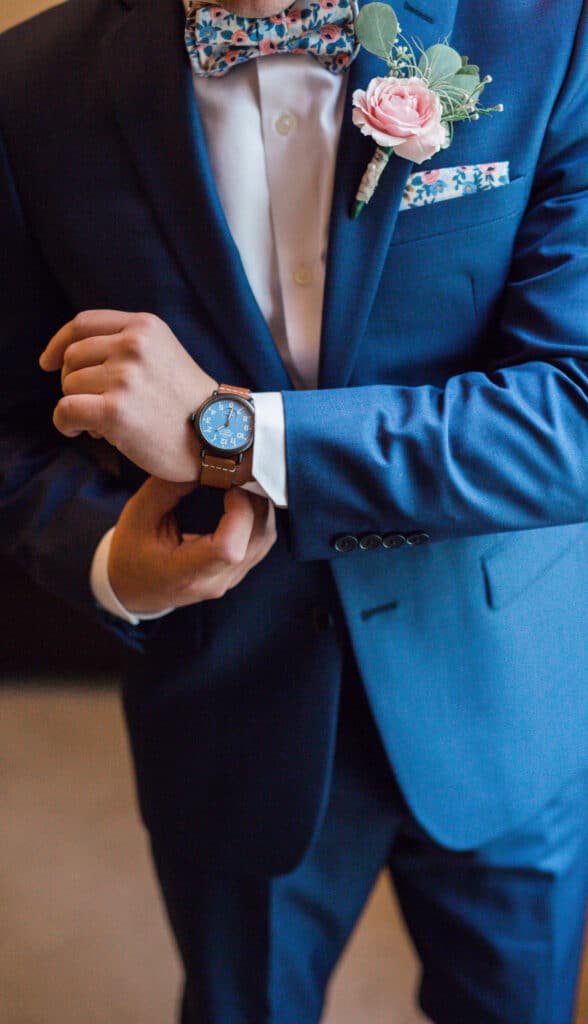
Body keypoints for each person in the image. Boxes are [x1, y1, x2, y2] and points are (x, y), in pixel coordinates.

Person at [1, 0, 588, 1019]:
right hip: (229, 706)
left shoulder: (548, 28)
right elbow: (11, 417)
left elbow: (573, 407)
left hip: (505, 689)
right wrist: (109, 564)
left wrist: (233, 432)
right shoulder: (29, 82)